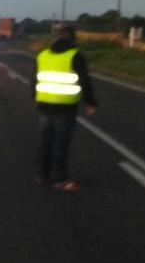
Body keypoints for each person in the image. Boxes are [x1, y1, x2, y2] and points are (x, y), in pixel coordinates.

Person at [31, 24, 98, 191]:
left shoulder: (43, 55)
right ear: (72, 37)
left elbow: (34, 80)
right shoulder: (75, 55)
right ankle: (60, 180)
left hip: (44, 105)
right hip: (65, 107)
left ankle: (42, 175)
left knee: (45, 141)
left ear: (55, 36)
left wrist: (35, 97)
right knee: (60, 143)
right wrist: (90, 103)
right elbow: (85, 81)